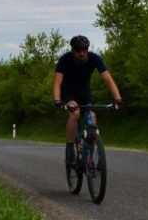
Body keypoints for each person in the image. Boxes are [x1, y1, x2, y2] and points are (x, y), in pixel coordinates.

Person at [53, 35, 123, 167]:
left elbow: (108, 79)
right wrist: (57, 100)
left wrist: (118, 99)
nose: (82, 53)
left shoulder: (94, 58)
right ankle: (70, 151)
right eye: (79, 51)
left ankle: (89, 153)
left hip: (85, 93)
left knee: (92, 116)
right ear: (73, 50)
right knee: (75, 113)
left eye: (84, 50)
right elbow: (57, 82)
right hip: (68, 93)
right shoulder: (65, 59)